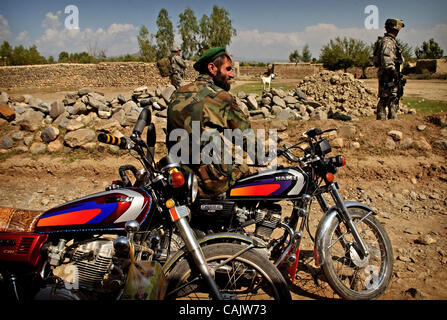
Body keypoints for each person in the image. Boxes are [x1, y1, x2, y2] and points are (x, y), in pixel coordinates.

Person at [166, 47, 251, 198]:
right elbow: (244, 138)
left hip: (180, 175)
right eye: (228, 69)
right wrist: (269, 155)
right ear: (212, 68)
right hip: (210, 181)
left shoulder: (177, 93)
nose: (232, 74)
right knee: (246, 172)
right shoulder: (220, 97)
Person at [375, 18, 405, 120]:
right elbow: (386, 59)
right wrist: (393, 72)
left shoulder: (388, 41)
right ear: (395, 29)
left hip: (389, 75)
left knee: (390, 98)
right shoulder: (388, 42)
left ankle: (389, 123)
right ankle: (386, 124)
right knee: (388, 98)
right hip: (389, 76)